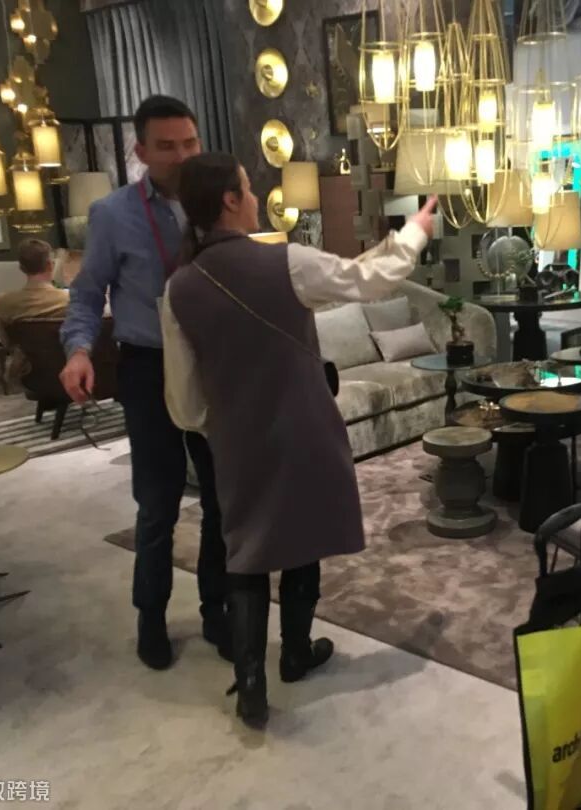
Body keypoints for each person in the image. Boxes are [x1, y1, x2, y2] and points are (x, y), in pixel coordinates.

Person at [161, 152, 436, 728]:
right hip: (304, 426)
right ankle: (295, 652)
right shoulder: (285, 261)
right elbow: (367, 279)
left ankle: (251, 681)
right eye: (247, 187)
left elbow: (184, 400)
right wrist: (413, 232)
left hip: (234, 440)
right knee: (303, 538)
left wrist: (222, 424)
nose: (253, 197)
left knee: (246, 550)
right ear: (230, 200)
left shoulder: (178, 288)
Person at [59, 96, 230, 672]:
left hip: (210, 365)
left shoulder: (219, 203)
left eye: (190, 142)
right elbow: (86, 294)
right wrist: (78, 351)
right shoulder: (112, 214)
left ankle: (217, 610)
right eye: (166, 146)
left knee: (221, 498)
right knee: (158, 503)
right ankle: (151, 617)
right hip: (148, 366)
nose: (181, 155)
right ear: (140, 151)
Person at [0, 239, 70, 385]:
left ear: (21, 268)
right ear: (50, 265)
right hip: (70, 370)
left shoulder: (6, 302)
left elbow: (7, 342)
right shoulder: (70, 299)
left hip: (31, 376)